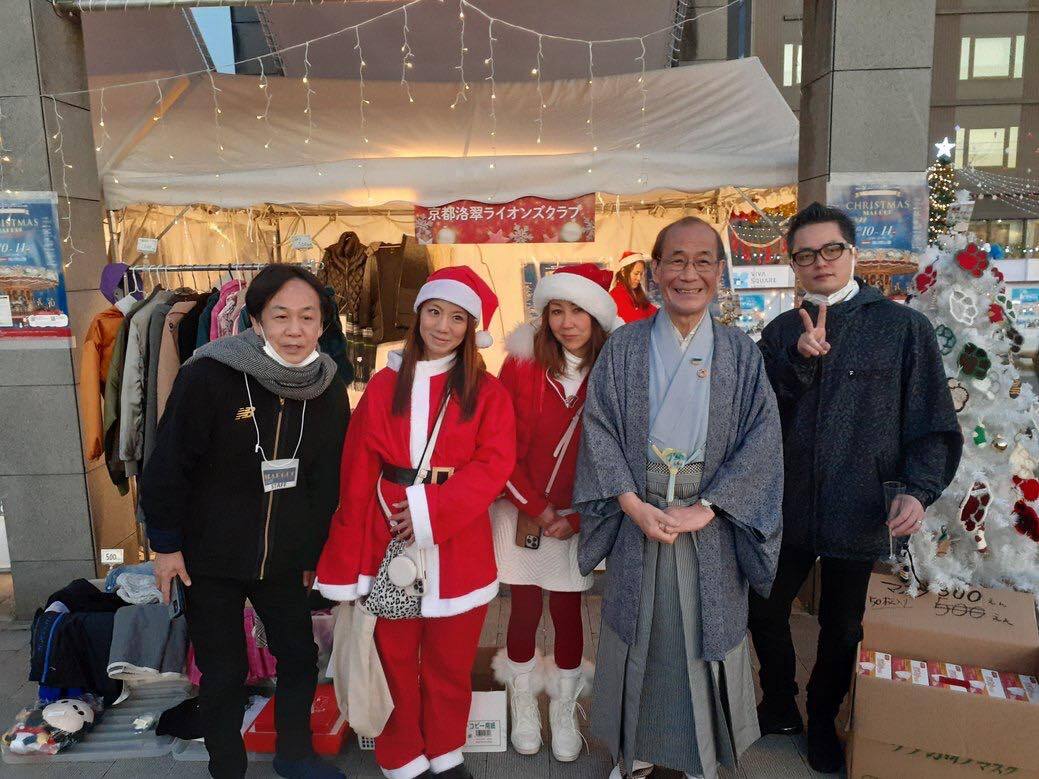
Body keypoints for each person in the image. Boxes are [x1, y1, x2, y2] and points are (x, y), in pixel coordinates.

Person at [750, 202, 963, 773]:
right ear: (793, 263)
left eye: (831, 250)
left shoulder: (902, 328)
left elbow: (932, 421)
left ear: (853, 253)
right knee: (763, 606)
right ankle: (779, 702)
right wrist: (796, 361)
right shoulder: (780, 331)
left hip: (862, 504)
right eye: (805, 255)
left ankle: (824, 717)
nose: (819, 262)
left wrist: (917, 489)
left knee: (842, 626)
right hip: (787, 503)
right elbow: (756, 418)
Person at [574, 217, 784, 779]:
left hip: (709, 520)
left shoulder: (740, 352)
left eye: (702, 262)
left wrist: (708, 507)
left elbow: (763, 440)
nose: (689, 274)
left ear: (719, 272)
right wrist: (629, 503)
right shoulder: (624, 346)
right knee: (637, 630)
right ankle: (635, 751)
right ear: (655, 270)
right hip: (638, 512)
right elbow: (599, 429)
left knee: (705, 633)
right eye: (676, 261)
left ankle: (703, 755)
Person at [141, 265, 350, 779]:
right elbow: (168, 464)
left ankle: (295, 756)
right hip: (210, 556)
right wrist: (165, 544)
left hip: (284, 558)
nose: (295, 330)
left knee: (298, 657)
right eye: (281, 316)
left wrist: (314, 554)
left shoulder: (327, 387)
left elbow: (326, 481)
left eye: (308, 317)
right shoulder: (209, 374)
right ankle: (227, 767)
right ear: (255, 320)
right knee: (223, 670)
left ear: (323, 324)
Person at [314, 266, 516, 779]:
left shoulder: (487, 392)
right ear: (418, 314)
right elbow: (357, 469)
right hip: (387, 533)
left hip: (459, 541)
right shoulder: (384, 385)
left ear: (471, 328)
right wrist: (349, 554)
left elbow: (495, 464)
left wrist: (432, 511)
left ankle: (446, 750)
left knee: (451, 662)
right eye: (434, 312)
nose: (442, 326)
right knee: (394, 660)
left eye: (457, 317)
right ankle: (401, 756)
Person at [490, 264, 620, 761]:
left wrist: (580, 518)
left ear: (597, 316)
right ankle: (523, 703)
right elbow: (498, 444)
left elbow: (623, 453)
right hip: (521, 508)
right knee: (522, 608)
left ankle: (565, 709)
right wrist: (537, 508)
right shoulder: (521, 366)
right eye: (556, 311)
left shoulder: (615, 370)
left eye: (578, 311)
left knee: (569, 611)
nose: (566, 322)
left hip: (580, 512)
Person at [610, 251, 658, 323]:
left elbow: (652, 311)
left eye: (641, 274)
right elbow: (633, 321)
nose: (639, 278)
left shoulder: (637, 292)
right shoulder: (616, 295)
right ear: (623, 272)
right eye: (636, 273)